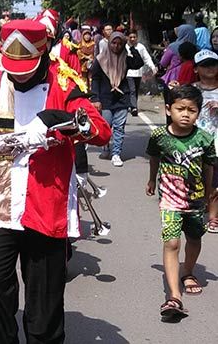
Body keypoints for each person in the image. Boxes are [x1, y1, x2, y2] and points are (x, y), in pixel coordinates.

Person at [0, 19, 110, 343]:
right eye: (12, 67)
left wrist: (52, 120)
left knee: (44, 303)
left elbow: (100, 130)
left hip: (46, 208)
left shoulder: (62, 83)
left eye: (26, 67)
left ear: (43, 51)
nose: (18, 74)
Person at [145, 85, 215, 320]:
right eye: (180, 109)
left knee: (194, 238)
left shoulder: (205, 138)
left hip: (195, 202)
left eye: (192, 110)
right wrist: (151, 180)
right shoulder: (159, 136)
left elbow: (209, 167)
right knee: (172, 243)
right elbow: (154, 158)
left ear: (198, 113)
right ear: (168, 109)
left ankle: (188, 271)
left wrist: (208, 194)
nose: (186, 114)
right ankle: (174, 296)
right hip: (170, 201)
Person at [90, 31, 143, 167]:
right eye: (114, 43)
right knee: (106, 125)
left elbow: (138, 63)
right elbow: (95, 79)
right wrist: (95, 98)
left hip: (122, 97)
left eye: (120, 44)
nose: (116, 46)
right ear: (109, 43)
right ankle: (106, 146)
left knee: (119, 127)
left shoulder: (126, 58)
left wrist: (131, 47)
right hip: (105, 98)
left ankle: (116, 153)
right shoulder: (100, 59)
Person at [192, 50, 218, 234]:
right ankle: (198, 212)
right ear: (196, 69)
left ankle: (213, 219)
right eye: (204, 65)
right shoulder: (192, 90)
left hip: (217, 144)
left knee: (215, 182)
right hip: (195, 143)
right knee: (197, 181)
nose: (209, 68)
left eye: (213, 64)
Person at [126, 29, 158, 116]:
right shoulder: (125, 47)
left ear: (137, 37)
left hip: (139, 73)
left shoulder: (141, 47)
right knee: (132, 90)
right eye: (131, 37)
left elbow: (147, 58)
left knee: (135, 90)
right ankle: (134, 107)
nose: (132, 39)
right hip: (128, 73)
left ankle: (132, 104)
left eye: (134, 37)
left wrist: (152, 67)